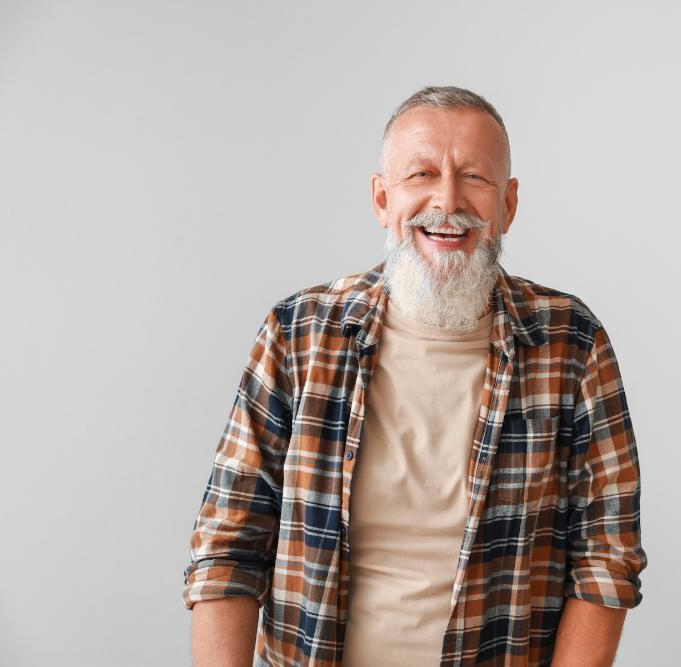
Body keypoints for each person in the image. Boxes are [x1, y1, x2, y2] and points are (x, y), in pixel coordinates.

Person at [183, 85, 647, 667]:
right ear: (382, 199)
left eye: (474, 178)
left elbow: (607, 558)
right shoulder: (298, 334)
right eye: (422, 173)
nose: (447, 200)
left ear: (508, 204)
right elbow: (228, 545)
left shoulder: (572, 343)